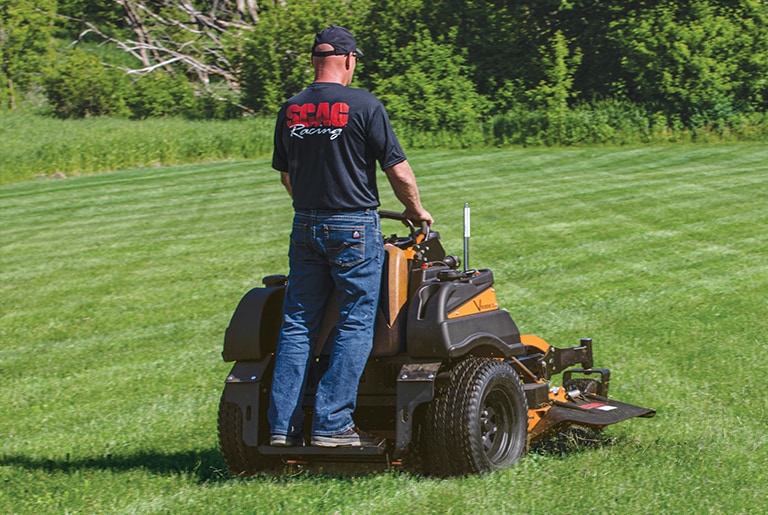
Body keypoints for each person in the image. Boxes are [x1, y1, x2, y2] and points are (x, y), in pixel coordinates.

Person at [268, 25, 433, 448]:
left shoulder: (290, 108)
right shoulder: (364, 105)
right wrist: (416, 210)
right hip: (354, 227)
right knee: (356, 321)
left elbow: (287, 175)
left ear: (313, 61)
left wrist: (310, 205)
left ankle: (280, 426)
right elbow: (397, 170)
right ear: (348, 59)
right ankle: (331, 424)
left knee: (297, 323)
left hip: (305, 224)